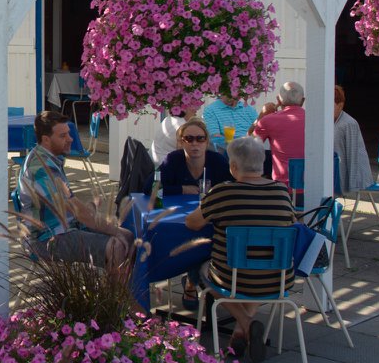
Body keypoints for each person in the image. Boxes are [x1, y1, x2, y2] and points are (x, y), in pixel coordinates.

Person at [184, 136, 297, 363]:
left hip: (234, 279)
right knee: (257, 262)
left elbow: (193, 223)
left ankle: (245, 323)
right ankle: (240, 332)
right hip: (278, 279)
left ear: (234, 166)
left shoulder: (223, 192)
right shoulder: (281, 192)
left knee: (202, 271)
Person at [17, 110, 132, 268]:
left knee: (129, 236)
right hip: (45, 238)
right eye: (63, 136)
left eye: (68, 134)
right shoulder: (40, 167)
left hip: (64, 228)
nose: (70, 139)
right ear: (46, 139)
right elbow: (74, 208)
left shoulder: (50, 159)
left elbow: (72, 206)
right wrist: (113, 229)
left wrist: (92, 212)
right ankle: (116, 292)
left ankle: (125, 290)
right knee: (116, 246)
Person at [158, 117, 232, 198]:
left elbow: (234, 187)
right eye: (189, 138)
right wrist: (182, 189)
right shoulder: (173, 159)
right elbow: (149, 187)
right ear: (181, 142)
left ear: (207, 142)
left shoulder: (217, 160)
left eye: (200, 138)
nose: (194, 143)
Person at [251, 81, 307, 182]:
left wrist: (261, 116)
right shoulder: (315, 121)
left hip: (281, 188)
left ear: (278, 100)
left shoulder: (268, 120)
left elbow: (249, 147)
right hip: (312, 185)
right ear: (302, 101)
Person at [333, 86, 371, 195]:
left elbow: (353, 154)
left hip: (354, 172)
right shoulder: (329, 120)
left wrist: (352, 183)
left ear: (340, 105)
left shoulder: (349, 123)